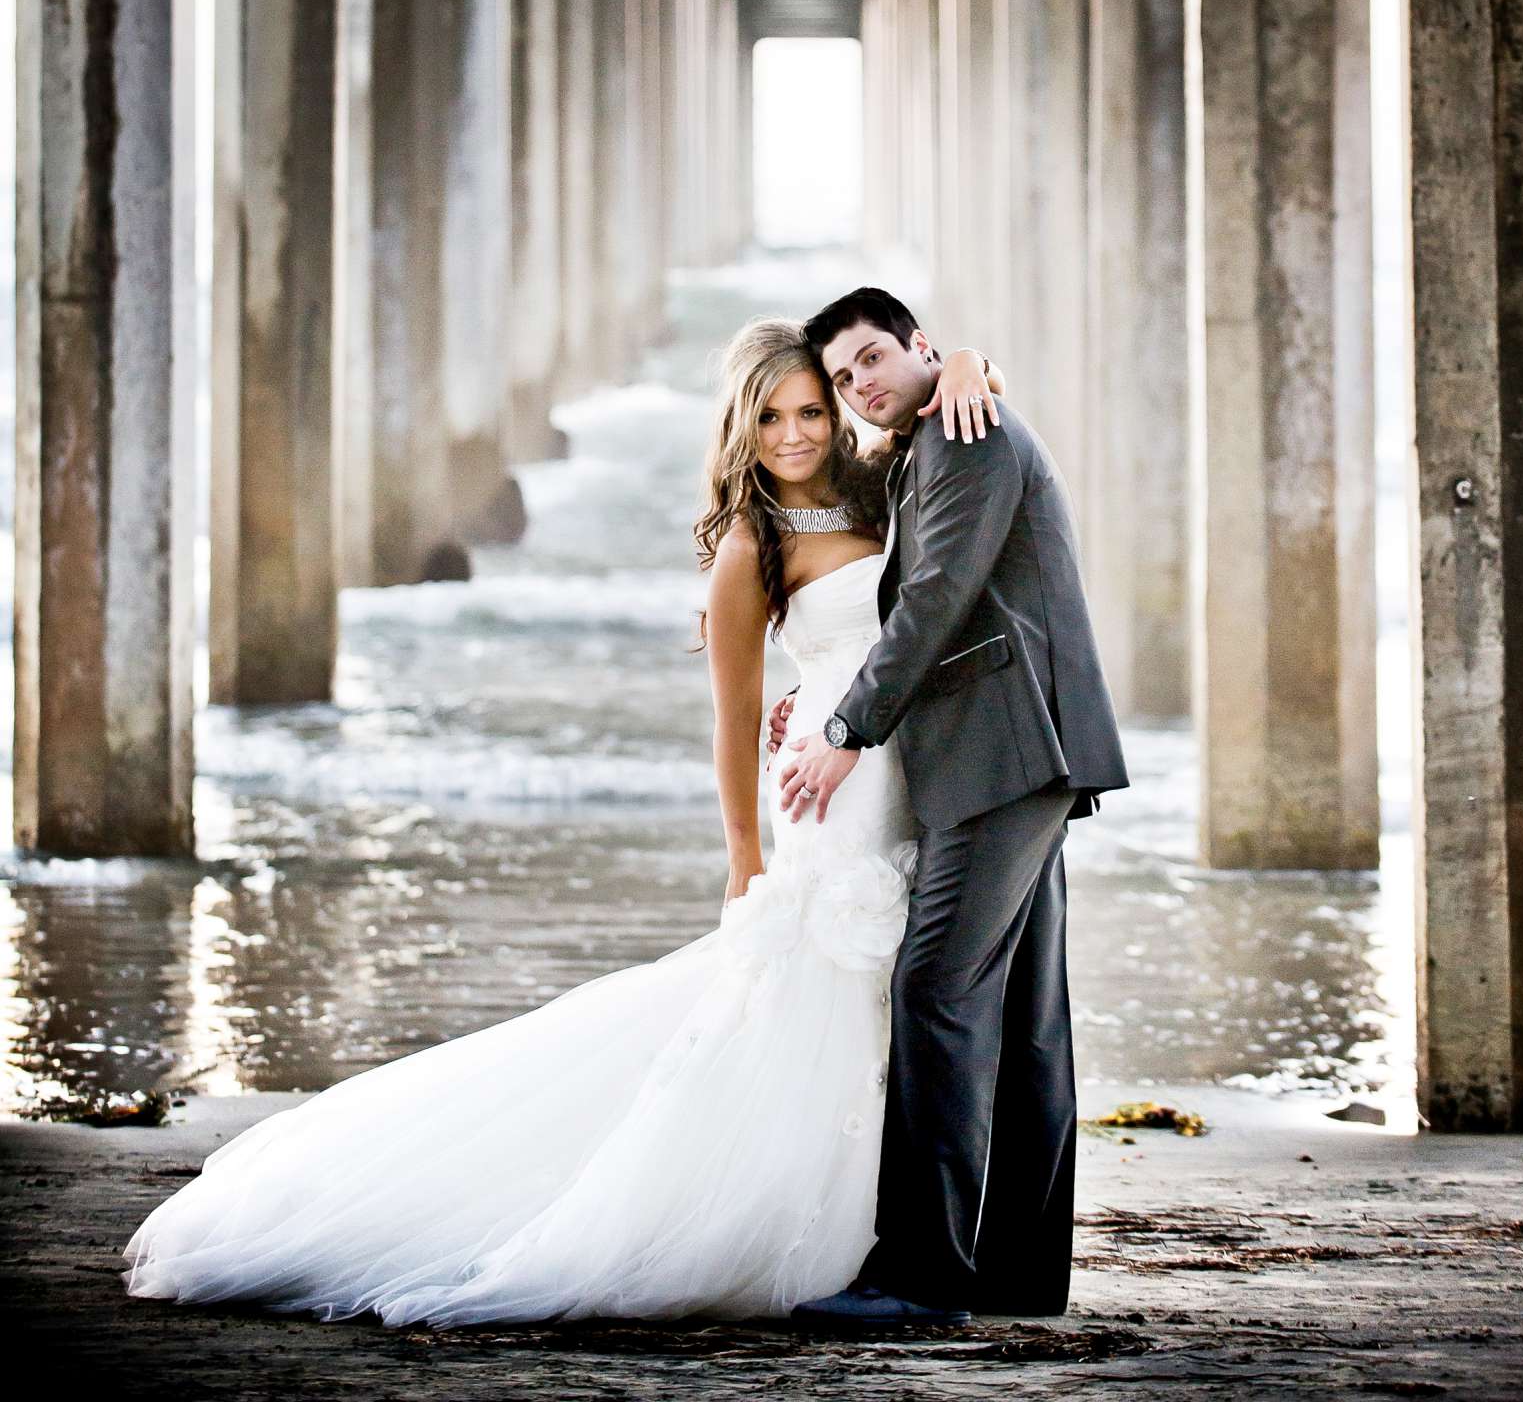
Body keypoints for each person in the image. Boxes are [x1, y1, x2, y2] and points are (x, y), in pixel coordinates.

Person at [121, 319, 1000, 1324]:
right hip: (829, 810)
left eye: (810, 408)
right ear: (741, 425)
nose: (796, 432)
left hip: (905, 784)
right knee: (822, 1000)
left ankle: (902, 1229)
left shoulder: (875, 485)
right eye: (771, 415)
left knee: (896, 1007)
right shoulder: (750, 550)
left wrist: (969, 362)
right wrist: (745, 860)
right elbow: (734, 725)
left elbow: (936, 438)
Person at [776, 286, 1128, 1330]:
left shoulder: (967, 434)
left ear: (920, 347)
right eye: (843, 378)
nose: (861, 385)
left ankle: (923, 1275)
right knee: (1023, 1018)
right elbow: (904, 594)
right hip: (1013, 750)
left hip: (1005, 750)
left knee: (935, 984)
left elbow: (937, 598)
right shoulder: (935, 433)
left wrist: (847, 733)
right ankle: (1021, 1272)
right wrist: (826, 692)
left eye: (874, 358)